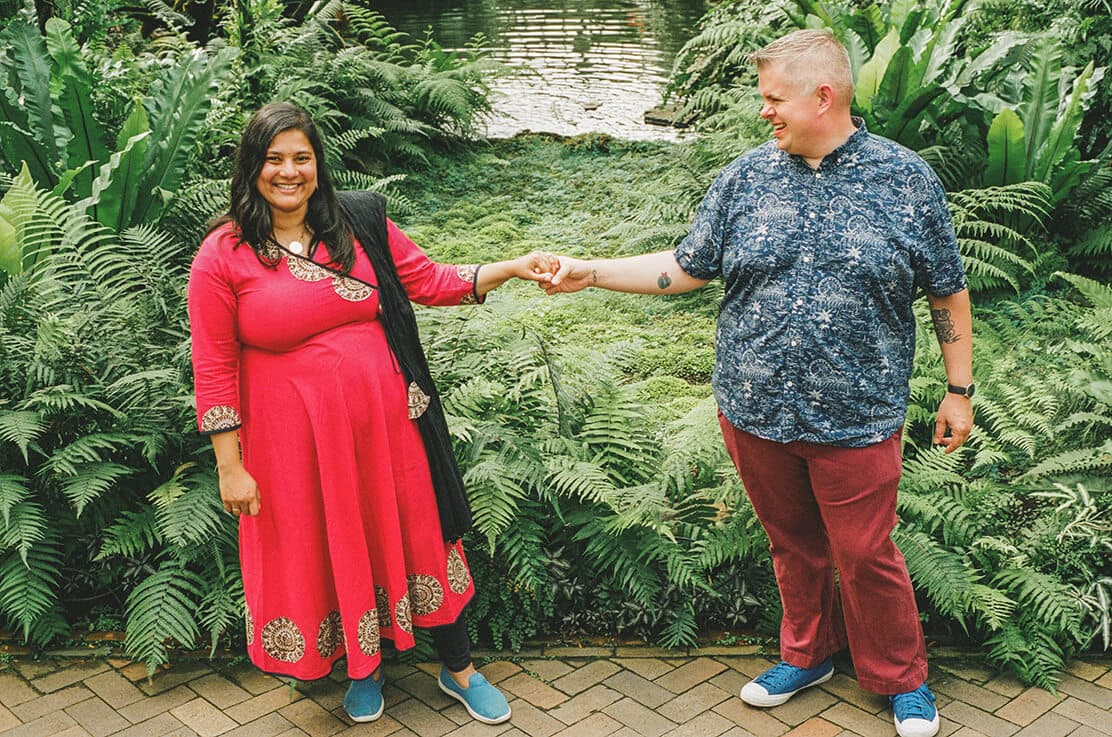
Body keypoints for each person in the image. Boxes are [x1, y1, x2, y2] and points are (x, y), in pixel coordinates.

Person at [542, 29, 973, 737]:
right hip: (754, 409)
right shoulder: (745, 177)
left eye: (774, 98)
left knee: (866, 552)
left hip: (858, 415)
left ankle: (901, 676)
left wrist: (960, 390)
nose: (764, 112)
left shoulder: (905, 180)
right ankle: (808, 655)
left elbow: (947, 292)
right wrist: (591, 270)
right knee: (791, 542)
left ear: (822, 96)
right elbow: (687, 266)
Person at [188, 102, 556, 726]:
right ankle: (363, 669)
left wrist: (513, 268)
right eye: (274, 159)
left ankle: (459, 667)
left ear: (317, 163)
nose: (288, 172)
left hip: (389, 431)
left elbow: (431, 280)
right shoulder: (224, 255)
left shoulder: (356, 222)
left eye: (301, 158)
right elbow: (214, 367)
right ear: (252, 167)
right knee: (331, 545)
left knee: (418, 534)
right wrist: (230, 466)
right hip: (293, 445)